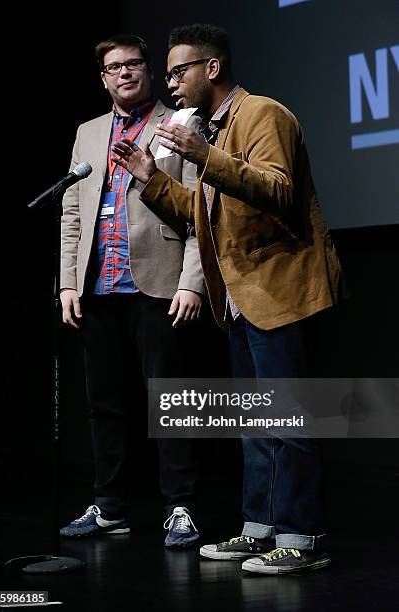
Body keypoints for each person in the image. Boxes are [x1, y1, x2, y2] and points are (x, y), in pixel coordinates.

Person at [112, 24, 345, 574]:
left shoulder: (264, 114)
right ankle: (261, 528)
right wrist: (151, 179)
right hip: (241, 294)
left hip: (282, 289)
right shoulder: (214, 129)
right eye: (167, 73)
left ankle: (300, 536)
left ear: (211, 69)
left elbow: (278, 188)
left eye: (178, 71)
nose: (170, 84)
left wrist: (202, 154)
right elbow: (204, 214)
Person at [59, 34, 205, 548]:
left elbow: (198, 210)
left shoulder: (181, 123)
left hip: (159, 285)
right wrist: (66, 282)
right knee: (105, 405)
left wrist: (193, 284)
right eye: (114, 67)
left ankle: (181, 507)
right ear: (103, 77)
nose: (126, 72)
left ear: (148, 69)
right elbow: (72, 212)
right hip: (98, 284)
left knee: (171, 402)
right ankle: (110, 508)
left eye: (134, 63)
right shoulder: (87, 133)